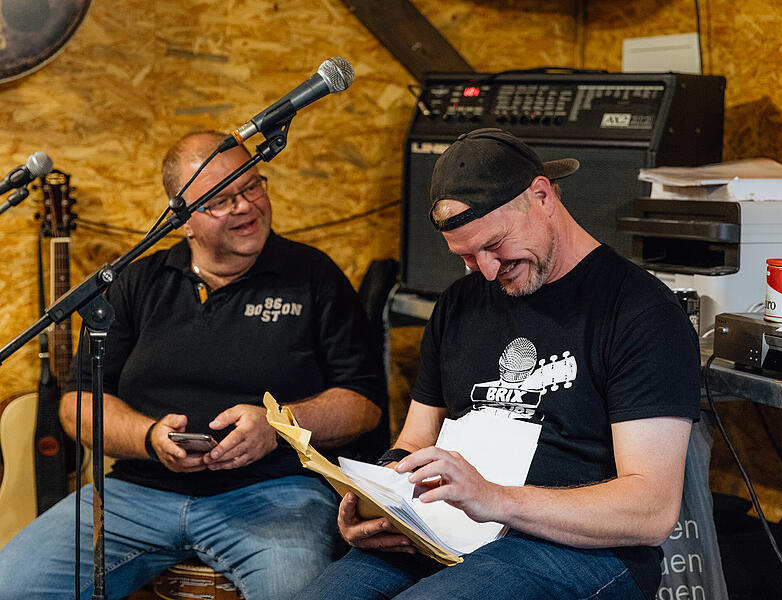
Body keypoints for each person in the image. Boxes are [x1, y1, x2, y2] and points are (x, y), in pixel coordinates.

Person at [296, 128, 700, 600]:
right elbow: (414, 439)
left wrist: (495, 499)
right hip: (446, 529)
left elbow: (651, 511)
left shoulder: (641, 312)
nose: (486, 271)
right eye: (466, 256)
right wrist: (375, 499)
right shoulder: (460, 303)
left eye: (495, 245)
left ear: (542, 196)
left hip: (578, 550)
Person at [0, 130, 386, 599]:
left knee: (301, 593)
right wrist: (148, 436)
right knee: (13, 585)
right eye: (220, 200)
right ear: (182, 218)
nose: (245, 206)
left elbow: (364, 405)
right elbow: (78, 403)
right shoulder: (139, 279)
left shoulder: (313, 275)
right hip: (136, 494)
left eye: (252, 187)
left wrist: (278, 425)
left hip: (277, 494)